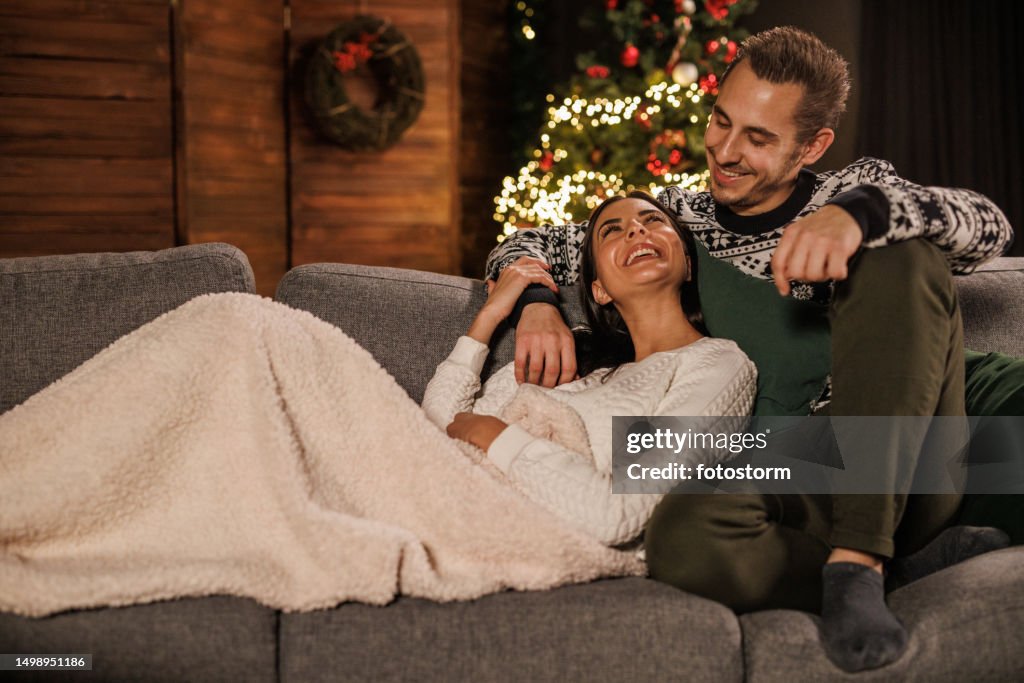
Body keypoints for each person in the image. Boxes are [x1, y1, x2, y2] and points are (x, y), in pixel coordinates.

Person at [484, 26, 1015, 673]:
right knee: (683, 538)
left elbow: (988, 223)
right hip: (798, 464)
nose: (725, 151)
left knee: (899, 251)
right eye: (721, 122)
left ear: (811, 145)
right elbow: (524, 243)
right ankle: (897, 567)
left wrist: (859, 216)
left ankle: (858, 562)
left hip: (922, 448)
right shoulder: (676, 220)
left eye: (758, 138)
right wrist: (537, 300)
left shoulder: (853, 188)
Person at [426, 191, 756, 545]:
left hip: (511, 533)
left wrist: (496, 437)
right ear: (599, 290)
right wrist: (490, 315)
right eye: (612, 231)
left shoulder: (719, 364)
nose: (635, 232)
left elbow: (619, 514)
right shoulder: (573, 362)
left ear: (688, 266)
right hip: (442, 498)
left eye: (653, 221)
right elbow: (433, 427)